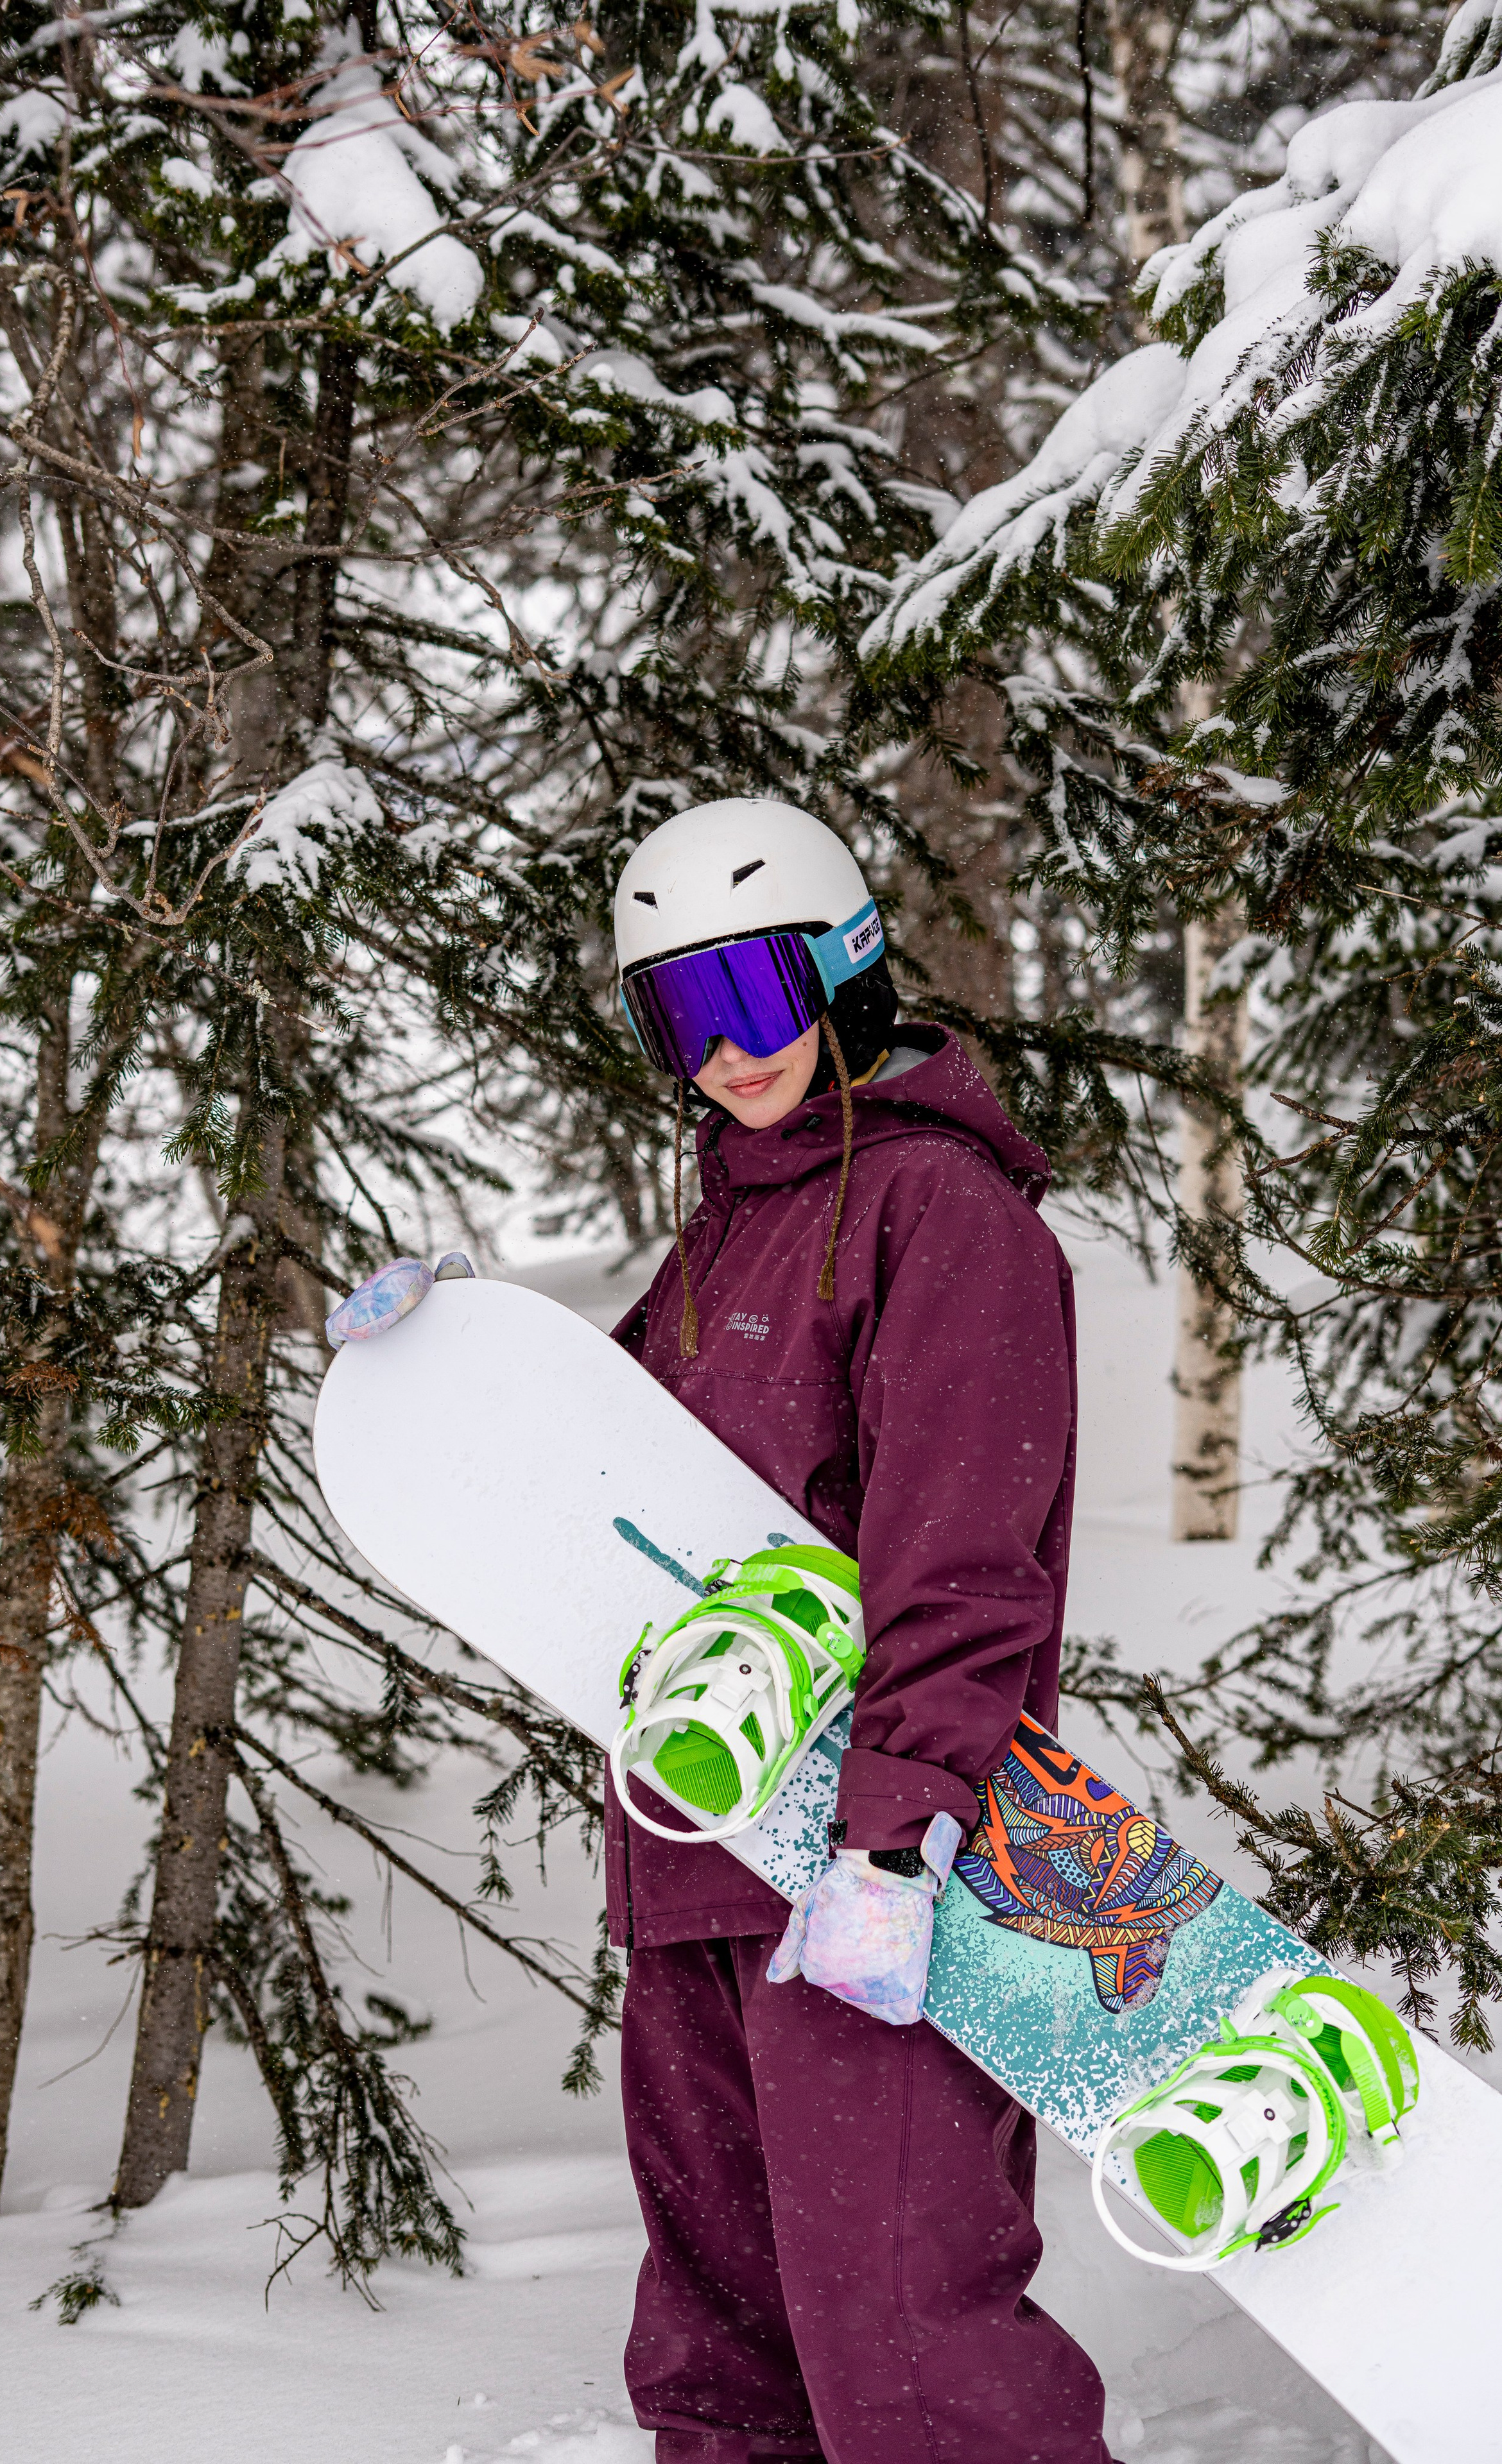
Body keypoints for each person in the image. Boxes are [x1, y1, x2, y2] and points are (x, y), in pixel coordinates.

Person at [607, 797, 1118, 2464]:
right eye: (683, 1015)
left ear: (844, 975)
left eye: (754, 998)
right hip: (694, 1859)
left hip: (870, 1876)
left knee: (912, 2368)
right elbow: (580, 1493)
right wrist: (432, 1365)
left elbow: (968, 1557)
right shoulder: (717, 1235)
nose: (728, 1053)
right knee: (716, 2362)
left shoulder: (938, 1218)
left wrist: (896, 1844)